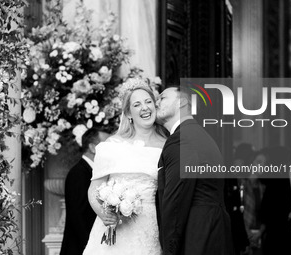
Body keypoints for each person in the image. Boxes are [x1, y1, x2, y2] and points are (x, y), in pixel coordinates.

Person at [83, 78, 167, 255]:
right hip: (115, 231)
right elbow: (94, 189)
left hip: (151, 228)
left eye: (148, 102)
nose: (144, 108)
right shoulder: (111, 146)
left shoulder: (168, 146)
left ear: (155, 106)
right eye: (137, 104)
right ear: (128, 113)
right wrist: (104, 214)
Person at [156, 86, 234, 255]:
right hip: (212, 232)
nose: (156, 103)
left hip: (197, 236)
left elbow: (175, 200)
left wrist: (169, 249)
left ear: (181, 102)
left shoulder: (182, 139)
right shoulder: (197, 134)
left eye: (162, 98)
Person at [60, 128, 110, 255]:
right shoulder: (79, 173)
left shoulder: (96, 173)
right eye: (106, 144)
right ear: (93, 148)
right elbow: (78, 217)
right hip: (80, 248)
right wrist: (91, 247)